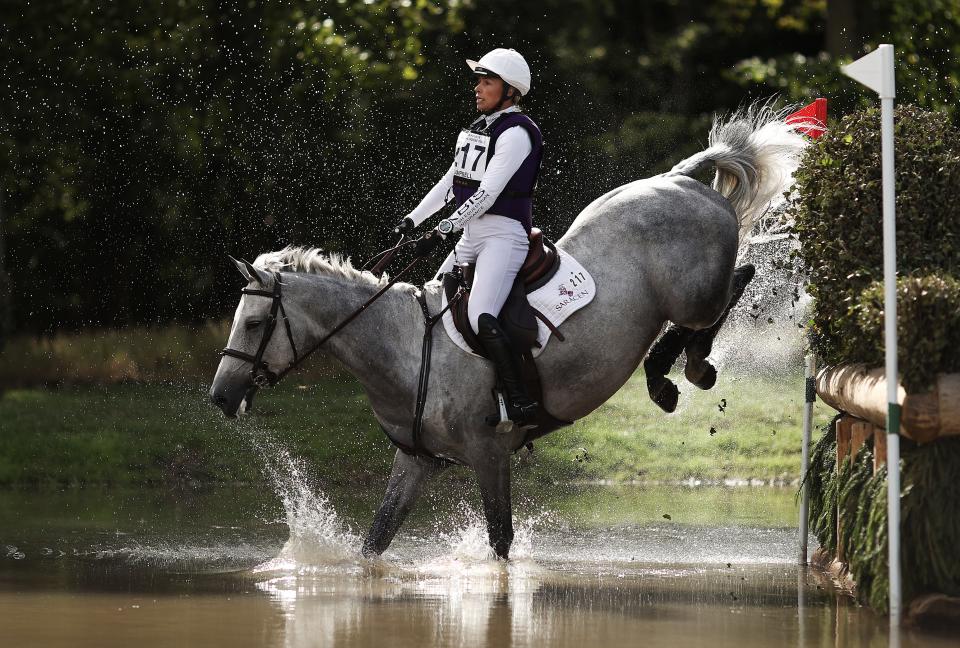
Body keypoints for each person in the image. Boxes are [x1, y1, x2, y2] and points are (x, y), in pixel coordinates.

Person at [396, 48, 544, 425]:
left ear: (510, 90)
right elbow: (452, 183)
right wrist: (413, 220)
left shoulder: (517, 133)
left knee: (480, 315)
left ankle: (519, 401)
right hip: (473, 232)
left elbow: (486, 195)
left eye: (487, 81)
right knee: (431, 299)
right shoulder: (480, 128)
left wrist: (441, 230)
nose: (477, 88)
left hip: (503, 236)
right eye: (478, 80)